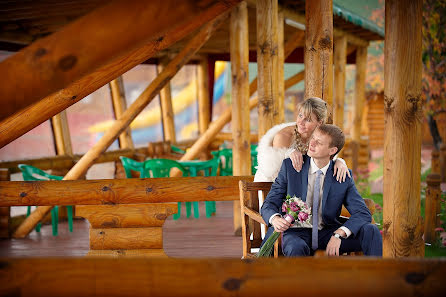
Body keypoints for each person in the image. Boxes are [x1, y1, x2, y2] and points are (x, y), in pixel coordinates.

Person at [261, 124, 382, 256]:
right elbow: (269, 204)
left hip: (328, 233)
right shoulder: (290, 168)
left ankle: (374, 274)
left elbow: (362, 212)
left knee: (371, 230)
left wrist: (339, 234)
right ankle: (302, 277)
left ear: (332, 150)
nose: (311, 143)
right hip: (296, 233)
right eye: (313, 138)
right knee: (296, 247)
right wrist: (275, 219)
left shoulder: (342, 175)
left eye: (318, 142)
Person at [254, 97, 349, 183]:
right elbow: (277, 176)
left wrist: (338, 162)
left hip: (301, 189)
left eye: (307, 120)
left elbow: (323, 161)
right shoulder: (283, 136)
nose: (300, 122)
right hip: (269, 187)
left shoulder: (320, 138)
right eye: (300, 115)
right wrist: (288, 153)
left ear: (319, 123)